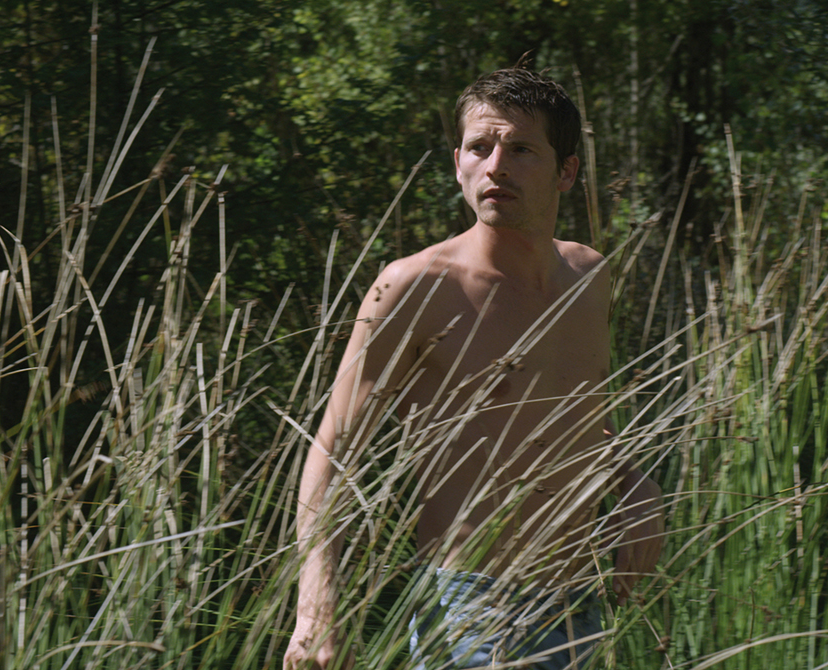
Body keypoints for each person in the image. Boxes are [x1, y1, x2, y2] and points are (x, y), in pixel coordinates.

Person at [284, 67, 664, 670]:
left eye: (521, 150)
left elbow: (574, 413)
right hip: (470, 615)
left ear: (566, 171)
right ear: (458, 161)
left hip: (580, 606)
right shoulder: (417, 287)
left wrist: (634, 483)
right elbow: (332, 451)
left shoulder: (588, 277)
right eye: (480, 147)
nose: (496, 167)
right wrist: (315, 609)